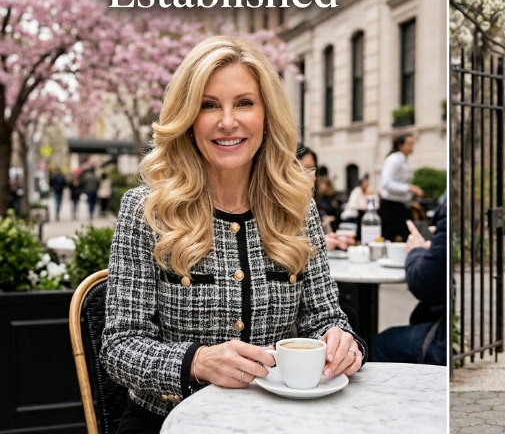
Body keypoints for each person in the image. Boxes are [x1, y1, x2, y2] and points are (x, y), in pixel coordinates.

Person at [101, 36, 365, 434]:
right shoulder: (146, 210)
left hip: (279, 419)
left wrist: (343, 342)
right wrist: (196, 362)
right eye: (209, 105)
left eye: (244, 103)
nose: (227, 121)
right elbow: (120, 346)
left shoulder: (296, 205)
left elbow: (326, 317)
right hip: (166, 419)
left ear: (266, 115)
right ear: (188, 118)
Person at [372, 202, 446, 365]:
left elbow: (423, 283)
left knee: (381, 344)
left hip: (443, 338)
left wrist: (416, 250)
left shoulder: (449, 206)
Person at [296, 145, 356, 251]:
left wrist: (336, 240)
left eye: (313, 170)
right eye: (305, 169)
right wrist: (320, 245)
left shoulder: (312, 203)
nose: (313, 177)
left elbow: (321, 235)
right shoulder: (278, 206)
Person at [379, 134, 424, 242]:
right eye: (409, 143)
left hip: (403, 206)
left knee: (408, 238)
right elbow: (386, 183)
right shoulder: (393, 159)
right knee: (392, 239)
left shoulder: (405, 160)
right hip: (391, 207)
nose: (412, 146)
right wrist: (409, 188)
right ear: (400, 145)